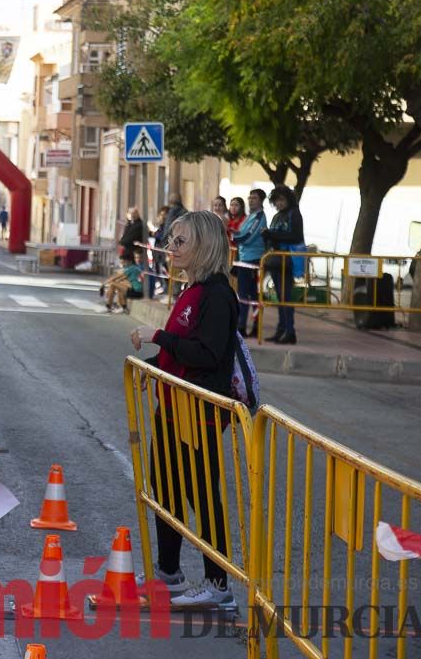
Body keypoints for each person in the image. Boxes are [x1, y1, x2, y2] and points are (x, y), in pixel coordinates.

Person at [129, 211, 238, 610]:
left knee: (202, 496)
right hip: (174, 409)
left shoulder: (217, 295)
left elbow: (206, 354)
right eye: (171, 240)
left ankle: (219, 584)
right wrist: (155, 366)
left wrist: (157, 337)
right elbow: (181, 346)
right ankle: (169, 573)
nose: (170, 248)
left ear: (205, 246)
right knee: (167, 490)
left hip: (199, 412)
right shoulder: (192, 290)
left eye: (180, 241)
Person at [261, 186, 304, 344]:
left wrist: (271, 234)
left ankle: (289, 331)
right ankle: (281, 330)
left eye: (281, 200)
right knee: (280, 298)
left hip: (287, 260)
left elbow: (296, 236)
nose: (279, 203)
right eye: (276, 200)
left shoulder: (294, 213)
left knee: (285, 297)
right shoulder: (278, 215)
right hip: (275, 260)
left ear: (288, 199)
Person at [231, 189, 267, 336]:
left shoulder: (259, 217)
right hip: (244, 258)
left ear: (261, 201)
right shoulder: (251, 216)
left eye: (254, 198)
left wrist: (233, 236)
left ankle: (242, 326)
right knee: (250, 294)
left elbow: (246, 236)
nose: (251, 200)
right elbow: (240, 233)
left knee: (246, 295)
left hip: (252, 259)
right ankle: (252, 326)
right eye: (250, 197)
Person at [149, 206, 171, 299]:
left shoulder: (167, 225)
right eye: (161, 215)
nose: (161, 217)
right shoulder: (161, 225)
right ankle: (163, 287)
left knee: (166, 271)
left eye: (164, 215)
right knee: (159, 270)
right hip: (158, 253)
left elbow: (163, 237)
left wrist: (156, 234)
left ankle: (167, 290)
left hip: (163, 253)